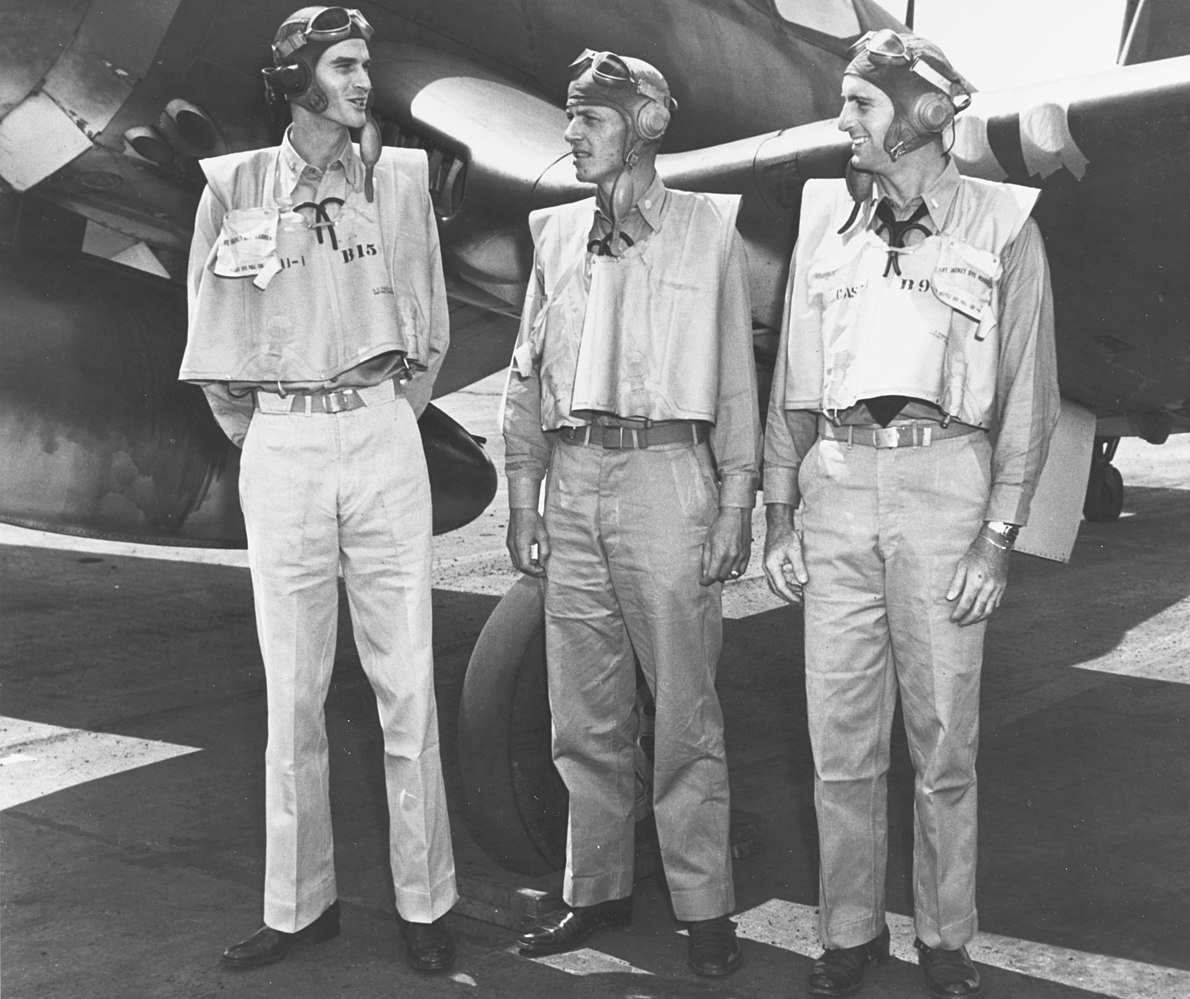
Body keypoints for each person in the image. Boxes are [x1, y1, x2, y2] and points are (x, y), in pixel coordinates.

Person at [762, 28, 1059, 999]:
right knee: (838, 743)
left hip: (944, 490)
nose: (841, 121)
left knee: (943, 746)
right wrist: (778, 513)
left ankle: (944, 938)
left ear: (922, 116)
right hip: (838, 485)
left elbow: (1029, 398)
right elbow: (790, 384)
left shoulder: (1004, 225)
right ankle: (847, 934)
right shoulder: (823, 222)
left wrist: (997, 538)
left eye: (861, 104)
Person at [179, 6, 457, 974]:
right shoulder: (233, 188)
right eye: (342, 65)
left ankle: (426, 903)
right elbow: (211, 334)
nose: (362, 80)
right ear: (297, 80)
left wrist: (379, 417)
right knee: (292, 692)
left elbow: (431, 326)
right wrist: (274, 434)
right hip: (283, 443)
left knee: (406, 685)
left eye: (363, 63)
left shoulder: (402, 183)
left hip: (381, 433)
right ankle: (300, 908)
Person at [501, 48, 761, 979]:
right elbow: (526, 372)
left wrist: (737, 501)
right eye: (569, 115)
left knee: (685, 713)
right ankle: (596, 889)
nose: (570, 133)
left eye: (591, 118)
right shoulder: (553, 234)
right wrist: (522, 493)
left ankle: (705, 906)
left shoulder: (708, 230)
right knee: (581, 713)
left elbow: (736, 381)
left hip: (667, 478)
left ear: (646, 125)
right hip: (573, 479)